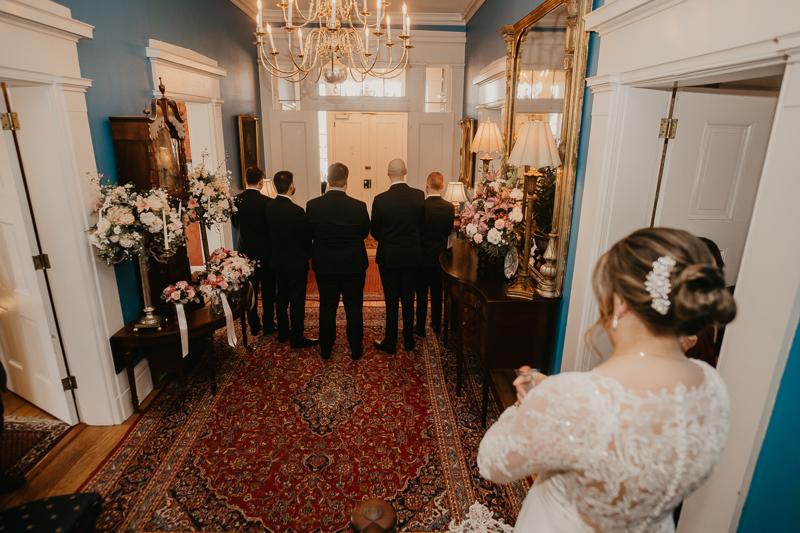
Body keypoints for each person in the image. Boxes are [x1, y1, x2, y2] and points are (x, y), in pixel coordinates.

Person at [477, 227, 736, 532]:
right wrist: (555, 398)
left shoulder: (572, 400)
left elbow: (492, 463)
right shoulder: (712, 386)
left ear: (621, 304)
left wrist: (530, 405)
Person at [306, 163, 371, 360]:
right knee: (353, 307)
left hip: (325, 265)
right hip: (353, 265)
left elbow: (309, 233)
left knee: (327, 306)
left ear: (328, 178)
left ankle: (325, 349)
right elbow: (364, 233)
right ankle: (355, 349)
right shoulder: (359, 206)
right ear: (346, 181)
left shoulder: (313, 205)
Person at [370, 158, 425, 354]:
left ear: (387, 173)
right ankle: (408, 339)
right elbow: (422, 225)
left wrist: (389, 239)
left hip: (389, 257)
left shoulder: (380, 199)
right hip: (412, 256)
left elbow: (375, 231)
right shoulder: (419, 196)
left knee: (391, 299)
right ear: (406, 171)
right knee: (409, 298)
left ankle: (391, 340)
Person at [264, 171, 318, 349]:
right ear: (291, 186)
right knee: (296, 301)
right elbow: (306, 237)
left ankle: (282, 333)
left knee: (281, 298)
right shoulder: (297, 211)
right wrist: (307, 255)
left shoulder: (269, 207)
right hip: (296, 262)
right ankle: (296, 337)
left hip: (278, 260)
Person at [231, 167, 276, 336]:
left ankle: (253, 323)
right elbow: (271, 228)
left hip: (245, 253)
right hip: (266, 252)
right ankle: (269, 323)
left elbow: (236, 225)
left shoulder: (236, 201)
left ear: (245, 180)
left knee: (250, 290)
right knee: (268, 290)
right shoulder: (268, 202)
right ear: (260, 182)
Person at [414, 172, 455, 337]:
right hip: (440, 258)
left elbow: (417, 232)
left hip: (422, 257)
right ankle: (437, 324)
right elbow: (447, 233)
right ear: (442, 186)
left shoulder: (421, 207)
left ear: (426, 185)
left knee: (422, 293)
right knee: (438, 292)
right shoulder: (449, 207)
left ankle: (420, 327)